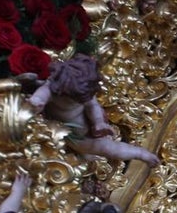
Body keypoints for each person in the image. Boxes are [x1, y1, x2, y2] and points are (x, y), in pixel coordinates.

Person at [29, 53, 161, 166]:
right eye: (75, 100)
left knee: (106, 146)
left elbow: (93, 105)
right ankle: (139, 154)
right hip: (75, 137)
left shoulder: (83, 90)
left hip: (90, 127)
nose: (83, 101)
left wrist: (98, 122)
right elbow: (40, 97)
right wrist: (36, 102)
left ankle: (140, 153)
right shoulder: (53, 89)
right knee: (106, 148)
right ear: (63, 91)